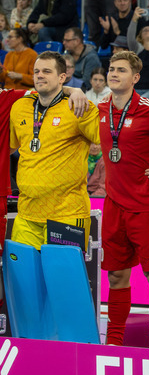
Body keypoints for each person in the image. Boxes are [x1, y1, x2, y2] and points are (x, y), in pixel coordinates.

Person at [97, 50, 149, 348]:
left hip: (146, 207)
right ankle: (114, 342)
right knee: (116, 276)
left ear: (136, 78)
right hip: (114, 205)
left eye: (121, 70)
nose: (114, 73)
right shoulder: (100, 109)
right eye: (111, 69)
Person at [10, 52, 97, 250]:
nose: (40, 75)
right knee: (26, 280)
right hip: (26, 216)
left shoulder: (79, 106)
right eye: (36, 71)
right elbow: (9, 147)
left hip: (67, 215)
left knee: (62, 281)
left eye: (47, 71)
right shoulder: (20, 106)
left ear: (62, 77)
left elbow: (109, 141)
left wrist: (147, 159)